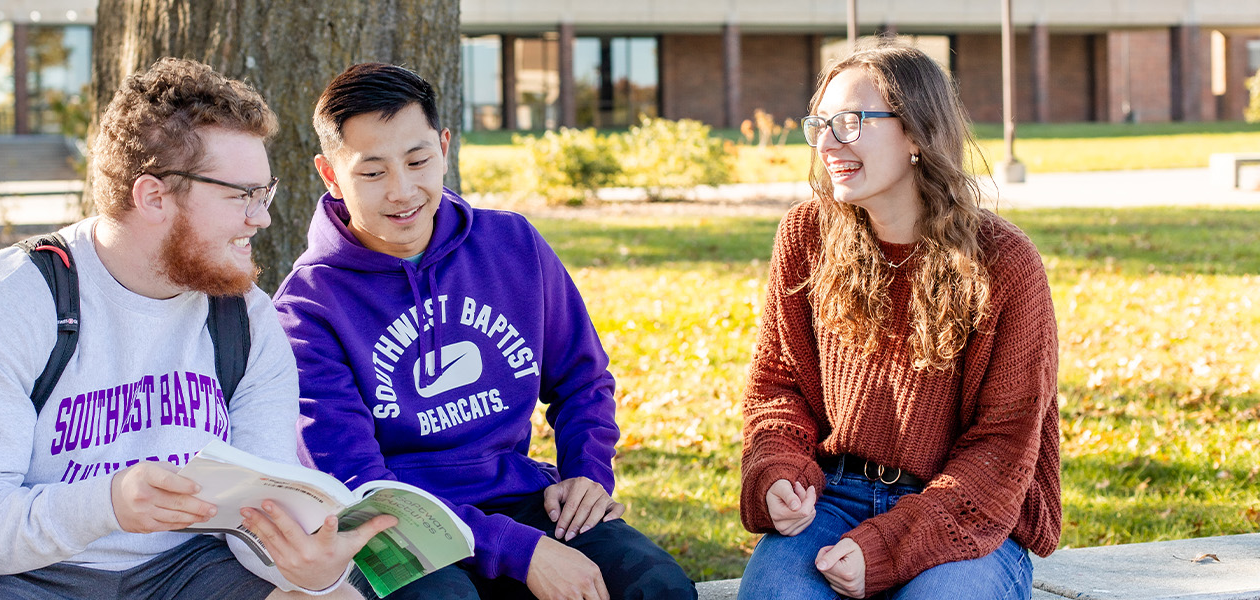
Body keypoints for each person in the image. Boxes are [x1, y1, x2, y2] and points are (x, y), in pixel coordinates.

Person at [0, 57, 393, 600]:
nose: (260, 218)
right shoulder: (4, 304)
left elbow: (255, 522)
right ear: (153, 197)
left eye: (265, 193)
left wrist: (309, 569)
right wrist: (108, 503)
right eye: (240, 195)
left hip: (178, 566)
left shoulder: (246, 319)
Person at [271, 62, 696, 600]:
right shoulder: (308, 307)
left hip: (517, 495)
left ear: (445, 148)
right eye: (372, 172)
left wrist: (588, 473)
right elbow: (358, 486)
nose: (403, 191)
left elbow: (583, 379)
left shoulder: (512, 244)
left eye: (418, 160)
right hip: (392, 525)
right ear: (331, 175)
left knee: (656, 586)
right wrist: (521, 552)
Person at [736, 45, 1062, 599]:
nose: (827, 142)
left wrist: (891, 545)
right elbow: (778, 385)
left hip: (969, 516)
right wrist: (778, 470)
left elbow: (1005, 444)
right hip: (832, 499)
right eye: (820, 124)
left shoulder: (1004, 262)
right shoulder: (806, 237)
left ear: (916, 134)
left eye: (850, 122)